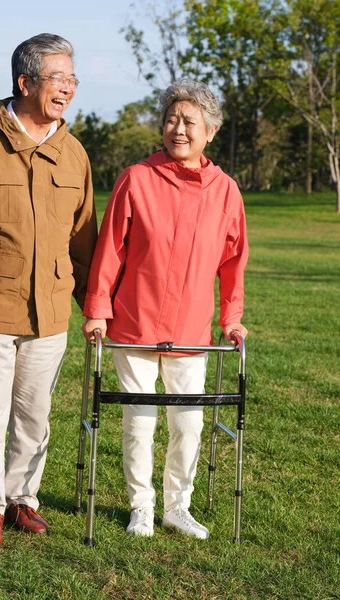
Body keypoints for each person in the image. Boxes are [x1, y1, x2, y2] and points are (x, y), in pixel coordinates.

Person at [0, 33, 97, 549]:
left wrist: (93, 304)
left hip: (50, 310)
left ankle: (22, 498)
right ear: (25, 81)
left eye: (72, 79)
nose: (68, 89)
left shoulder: (74, 153)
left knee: (35, 413)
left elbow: (83, 238)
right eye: (59, 78)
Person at [82, 80, 248, 538]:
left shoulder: (226, 191)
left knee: (188, 423)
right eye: (171, 119)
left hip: (192, 329)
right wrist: (97, 309)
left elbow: (234, 263)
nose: (178, 129)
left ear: (209, 131)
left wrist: (230, 318)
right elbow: (110, 250)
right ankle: (141, 505)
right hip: (134, 322)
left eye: (188, 122)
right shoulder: (137, 178)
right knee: (139, 421)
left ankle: (178, 505)